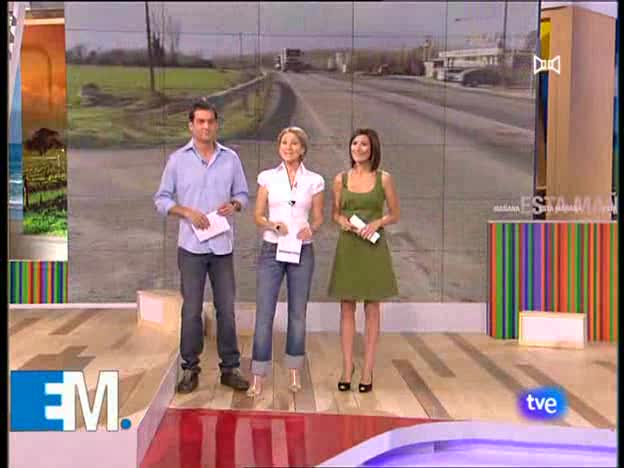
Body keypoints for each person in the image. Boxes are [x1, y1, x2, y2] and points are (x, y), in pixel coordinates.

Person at [154, 100, 250, 394]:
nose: (206, 126)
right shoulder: (177, 160)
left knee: (226, 310)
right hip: (191, 249)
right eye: (200, 121)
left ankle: (230, 369)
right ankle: (189, 369)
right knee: (192, 310)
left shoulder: (231, 158)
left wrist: (234, 205)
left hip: (221, 249)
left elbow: (243, 194)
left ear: (216, 125)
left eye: (210, 121)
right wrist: (185, 211)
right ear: (191, 125)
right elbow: (161, 200)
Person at [247, 126, 324, 397]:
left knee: (297, 313)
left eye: (294, 143)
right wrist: (272, 225)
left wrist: (311, 229)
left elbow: (318, 218)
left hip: (302, 250)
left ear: (302, 149)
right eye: (284, 142)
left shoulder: (314, 181)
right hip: (272, 249)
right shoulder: (268, 177)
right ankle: (258, 375)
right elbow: (257, 215)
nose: (288, 147)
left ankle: (294, 370)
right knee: (264, 313)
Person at [328, 128, 400, 393]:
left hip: (372, 247)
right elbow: (335, 213)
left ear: (373, 149)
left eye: (364, 144)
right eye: (354, 144)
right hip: (349, 246)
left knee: (372, 307)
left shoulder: (384, 179)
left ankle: (368, 369)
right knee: (347, 306)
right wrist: (342, 222)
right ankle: (347, 367)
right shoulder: (340, 179)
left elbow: (395, 214)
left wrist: (378, 223)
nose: (358, 148)